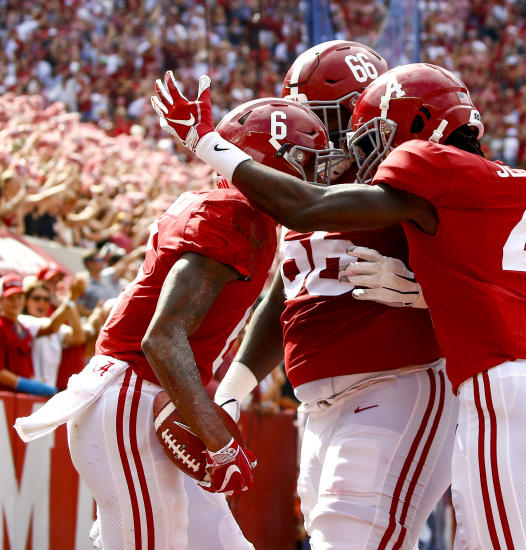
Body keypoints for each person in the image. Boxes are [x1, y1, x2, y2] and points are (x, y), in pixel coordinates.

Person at [153, 63, 526, 550]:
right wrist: (439, 294)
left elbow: (308, 207)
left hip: (452, 386)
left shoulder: (426, 170)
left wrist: (209, 143)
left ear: (419, 123)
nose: (345, 141)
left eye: (354, 125)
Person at [16, 96, 335, 550]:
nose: (314, 176)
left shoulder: (245, 216)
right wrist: (218, 438)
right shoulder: (235, 215)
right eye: (304, 161)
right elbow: (163, 338)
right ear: (264, 158)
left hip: (153, 394)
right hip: (136, 395)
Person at [213, 42, 459, 549]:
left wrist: (426, 291)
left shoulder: (412, 173)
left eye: (322, 118)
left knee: (353, 537)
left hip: (397, 381)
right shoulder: (306, 182)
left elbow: (493, 269)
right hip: (318, 404)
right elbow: (290, 291)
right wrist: (232, 390)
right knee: (334, 535)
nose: (311, 135)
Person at [18, 276, 85, 388]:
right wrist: (71, 299)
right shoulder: (22, 320)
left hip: (48, 391)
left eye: (46, 299)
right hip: (29, 389)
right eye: (36, 298)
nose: (42, 303)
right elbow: (51, 327)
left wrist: (70, 300)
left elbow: (78, 337)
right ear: (26, 301)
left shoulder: (52, 323)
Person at [0, 274, 58, 396]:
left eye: (20, 297)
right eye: (11, 298)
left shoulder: (24, 329)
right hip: (4, 398)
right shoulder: (1, 326)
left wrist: (34, 384)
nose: (16, 302)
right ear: (1, 300)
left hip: (22, 399)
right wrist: (28, 385)